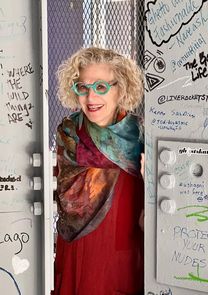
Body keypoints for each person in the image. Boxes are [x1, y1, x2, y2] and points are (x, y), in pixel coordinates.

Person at [52, 47, 144, 295]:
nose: (91, 98)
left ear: (121, 88)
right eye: (83, 87)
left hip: (126, 249)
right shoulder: (68, 131)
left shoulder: (143, 135)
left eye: (101, 87)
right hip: (76, 246)